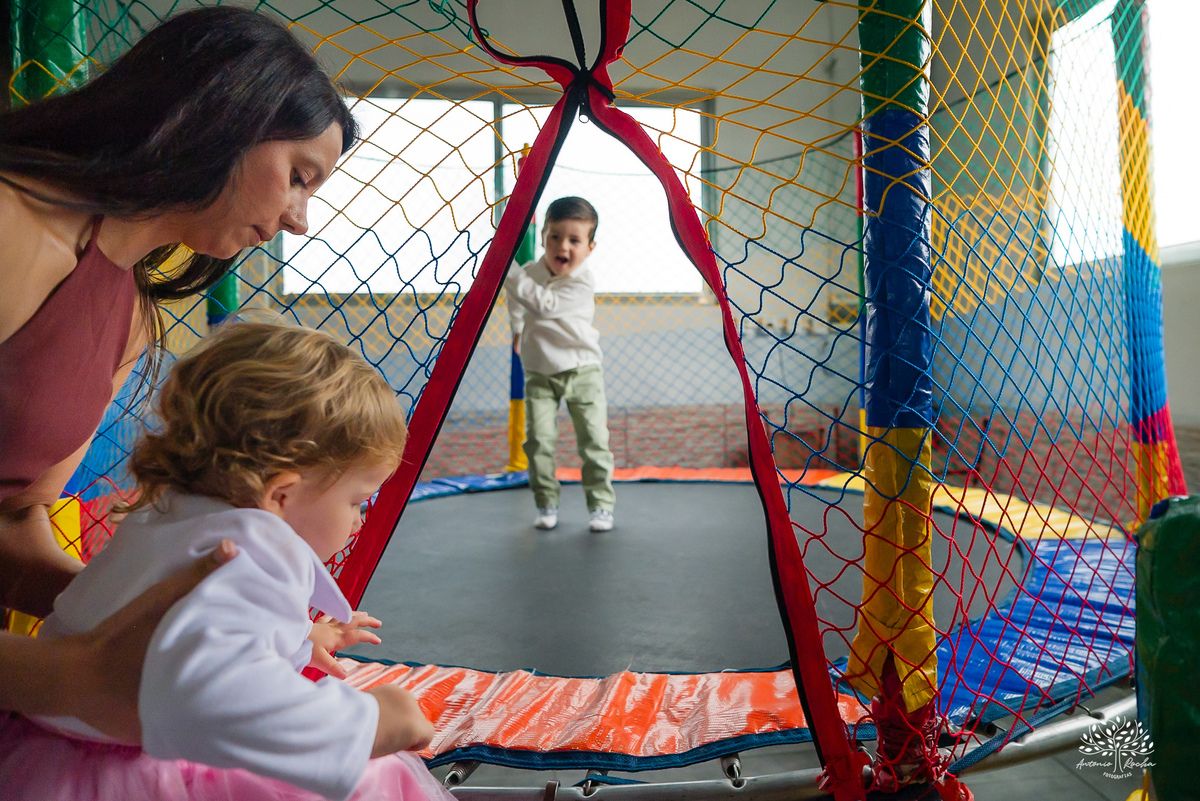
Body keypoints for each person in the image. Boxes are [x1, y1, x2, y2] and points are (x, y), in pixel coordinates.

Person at [0, 5, 358, 724]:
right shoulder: (12, 222)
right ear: (225, 116)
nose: (298, 218)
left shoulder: (133, 314)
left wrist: (168, 622)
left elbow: (13, 517)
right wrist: (65, 672)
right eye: (298, 176)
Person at [0, 322, 450, 801]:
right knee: (378, 777)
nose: (359, 519)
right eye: (356, 501)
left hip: (45, 749)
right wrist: (369, 723)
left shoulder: (164, 516)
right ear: (281, 493)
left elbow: (191, 624)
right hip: (132, 769)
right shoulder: (255, 552)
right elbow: (224, 700)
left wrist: (297, 634)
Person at [506, 196, 616, 532]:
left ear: (590, 248)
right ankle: (546, 502)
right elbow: (517, 302)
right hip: (539, 371)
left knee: (594, 440)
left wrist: (506, 270)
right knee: (538, 441)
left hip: (582, 370)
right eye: (555, 236)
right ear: (543, 237)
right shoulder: (529, 274)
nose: (563, 246)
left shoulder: (582, 281)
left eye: (574, 240)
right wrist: (518, 329)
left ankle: (600, 505)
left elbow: (546, 304)